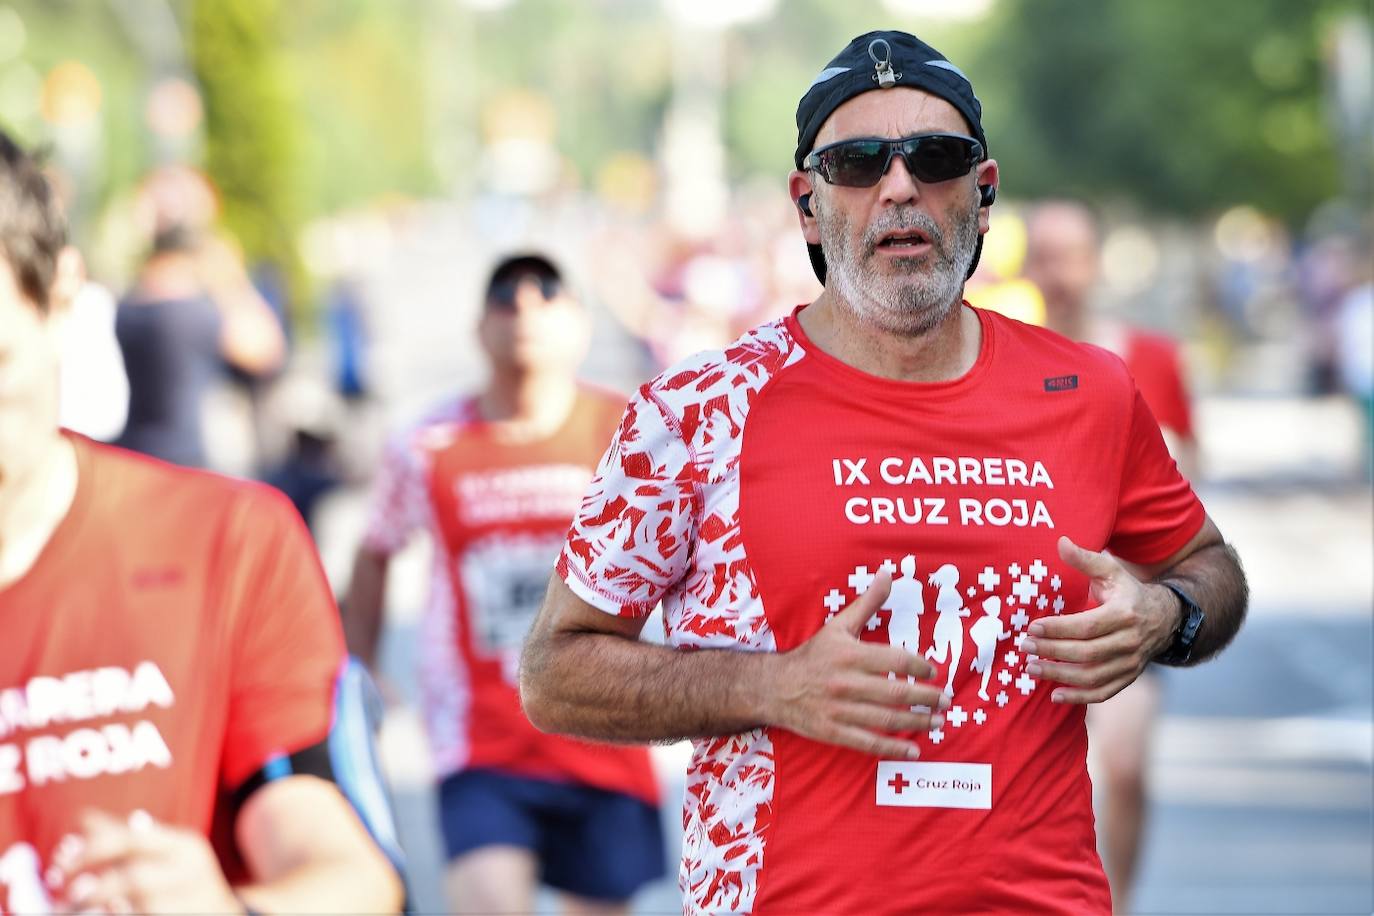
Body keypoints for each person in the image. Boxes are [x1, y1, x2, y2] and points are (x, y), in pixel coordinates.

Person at [520, 30, 1248, 915]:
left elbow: (1211, 567)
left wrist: (1167, 619)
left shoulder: (1088, 391)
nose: (898, 187)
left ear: (983, 198)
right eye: (858, 163)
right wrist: (770, 686)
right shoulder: (698, 413)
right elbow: (554, 673)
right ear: (808, 206)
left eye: (935, 159)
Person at [0, 129, 403, 914]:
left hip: (157, 481)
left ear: (61, 299)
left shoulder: (230, 543)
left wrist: (229, 908)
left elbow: (351, 874)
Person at [343, 254, 665, 915]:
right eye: (503, 298)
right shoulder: (428, 443)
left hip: (604, 734)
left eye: (544, 292)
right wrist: (362, 666)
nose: (522, 308)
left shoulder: (633, 432)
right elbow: (376, 547)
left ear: (578, 323)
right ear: (479, 329)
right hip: (482, 745)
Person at [1022, 198, 1199, 911]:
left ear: (1095, 263)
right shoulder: (1002, 358)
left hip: (1125, 604)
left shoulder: (1149, 359)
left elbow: (1191, 481)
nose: (1059, 273)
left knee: (1121, 765)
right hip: (1029, 606)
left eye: (1071, 256)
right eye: (1044, 256)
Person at [115, 223, 285, 469]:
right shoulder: (194, 316)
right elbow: (267, 351)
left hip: (136, 451)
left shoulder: (128, 309)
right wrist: (231, 280)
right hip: (188, 459)